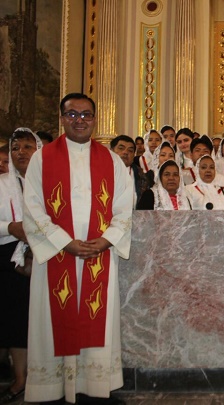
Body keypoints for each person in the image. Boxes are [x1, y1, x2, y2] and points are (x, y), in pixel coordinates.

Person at [22, 93, 133, 403]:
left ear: (95, 119)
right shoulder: (42, 159)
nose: (80, 120)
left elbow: (125, 206)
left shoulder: (111, 160)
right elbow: (32, 207)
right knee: (55, 321)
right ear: (62, 118)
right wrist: (64, 243)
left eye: (86, 114)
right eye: (72, 114)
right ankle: (52, 389)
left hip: (99, 255)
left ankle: (93, 386)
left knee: (96, 320)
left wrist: (107, 239)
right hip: (57, 255)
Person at [0, 128, 42, 404]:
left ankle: (33, 377)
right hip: (7, 255)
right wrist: (10, 227)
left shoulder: (49, 183)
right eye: (15, 148)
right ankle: (18, 377)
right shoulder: (2, 184)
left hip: (44, 256)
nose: (21, 153)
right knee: (13, 319)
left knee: (35, 320)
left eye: (28, 147)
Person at [109, 135, 149, 207]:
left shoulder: (142, 177)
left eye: (130, 150)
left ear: (134, 155)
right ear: (111, 151)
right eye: (121, 148)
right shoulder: (101, 173)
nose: (125, 152)